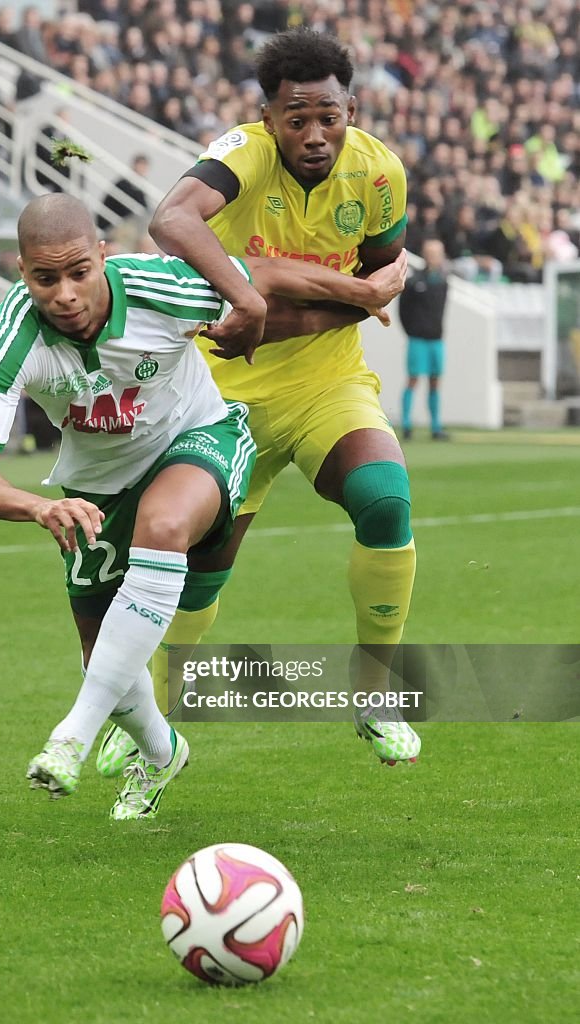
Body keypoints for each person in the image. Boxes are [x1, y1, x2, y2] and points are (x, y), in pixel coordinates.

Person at [0, 193, 406, 820]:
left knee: (162, 527)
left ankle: (72, 735)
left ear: (103, 256)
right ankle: (163, 752)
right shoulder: (11, 337)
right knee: (104, 653)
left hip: (200, 438)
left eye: (79, 271)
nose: (66, 294)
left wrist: (359, 292)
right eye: (45, 278)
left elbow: (257, 273)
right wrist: (37, 507)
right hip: (98, 485)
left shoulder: (159, 286)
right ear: (22, 272)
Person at [145, 27, 420, 768]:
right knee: (202, 568)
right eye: (295, 118)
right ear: (266, 118)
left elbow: (375, 297)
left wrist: (274, 309)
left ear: (351, 110)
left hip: (325, 384)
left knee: (386, 499)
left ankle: (374, 690)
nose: (315, 134)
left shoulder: (380, 175)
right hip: (220, 399)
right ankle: (146, 714)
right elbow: (169, 220)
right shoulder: (242, 154)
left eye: (328, 116)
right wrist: (248, 291)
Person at [399, 239, 450, 441]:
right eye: (431, 252)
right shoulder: (414, 281)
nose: (434, 256)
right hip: (418, 338)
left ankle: (436, 426)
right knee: (413, 379)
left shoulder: (444, 281)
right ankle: (406, 424)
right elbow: (403, 310)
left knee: (435, 380)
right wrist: (411, 331)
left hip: (435, 339)